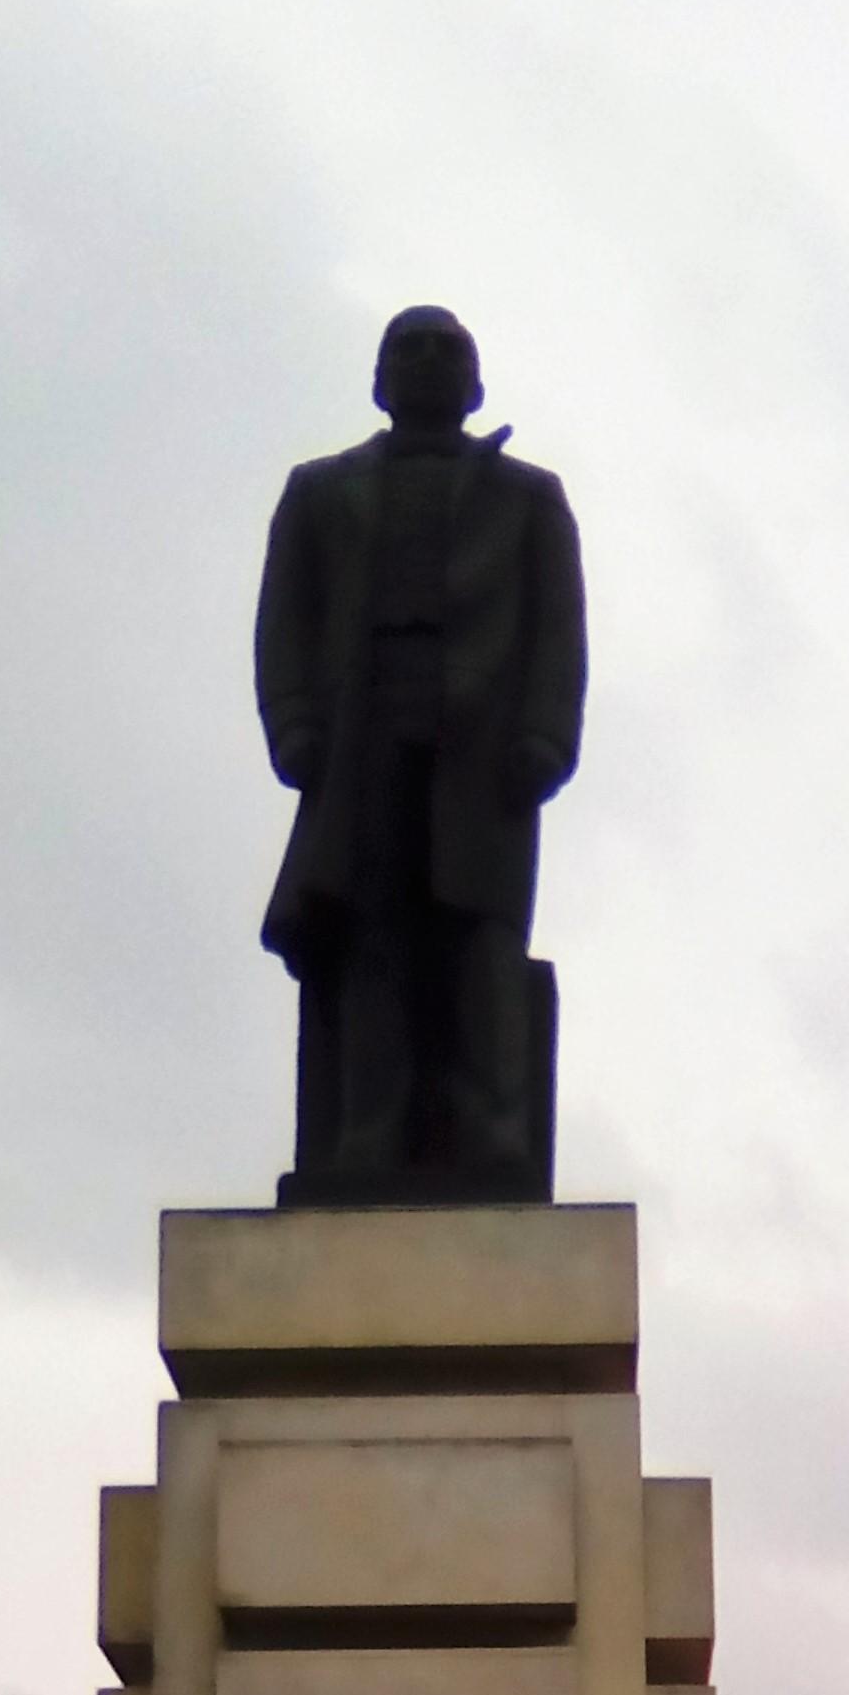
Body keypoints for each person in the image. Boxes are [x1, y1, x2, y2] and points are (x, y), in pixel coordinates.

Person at [256, 306, 587, 1200]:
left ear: (477, 386)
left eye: (451, 349)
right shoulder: (320, 492)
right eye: (410, 347)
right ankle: (367, 1135)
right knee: (374, 940)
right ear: (379, 380)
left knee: (480, 939)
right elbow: (285, 623)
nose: (430, 360)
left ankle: (494, 1137)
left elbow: (558, 632)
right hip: (360, 741)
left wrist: (547, 738)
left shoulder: (530, 497)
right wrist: (292, 724)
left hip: (482, 749)